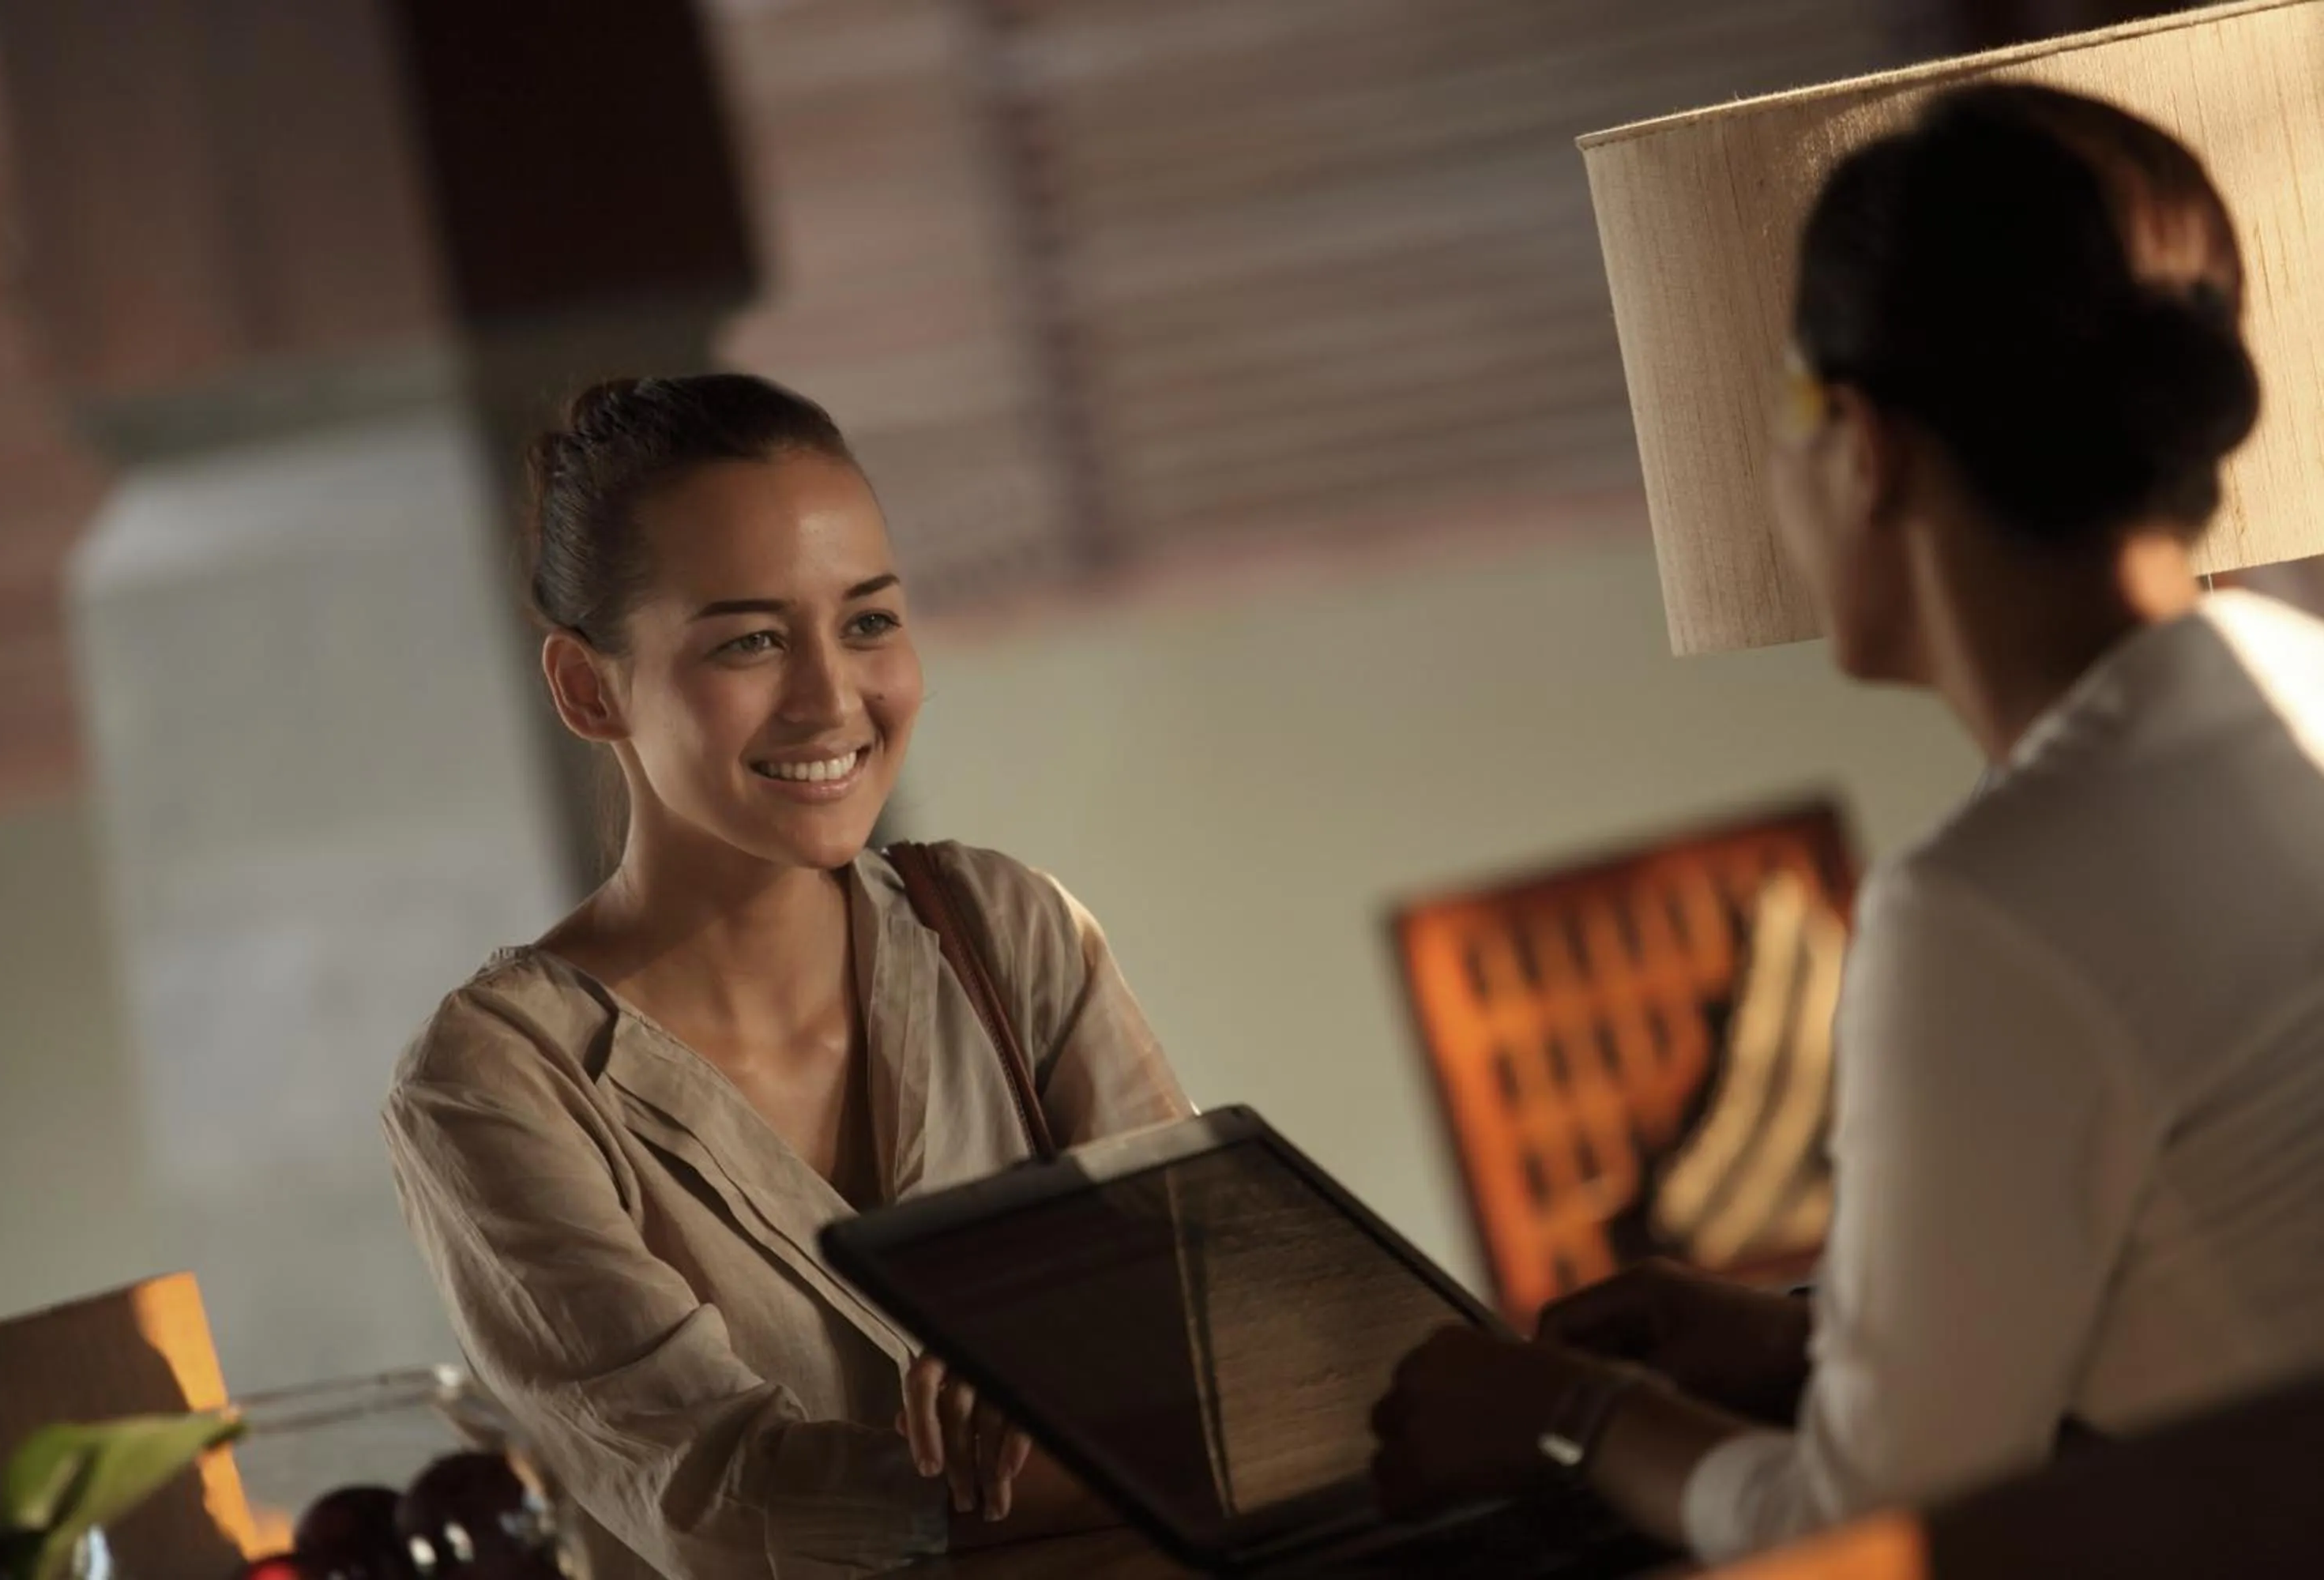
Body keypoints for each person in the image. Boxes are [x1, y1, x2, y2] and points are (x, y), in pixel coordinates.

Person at [1369, 83, 2324, 1564]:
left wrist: (1572, 1412)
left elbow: (1863, 1535)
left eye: (1784, 409)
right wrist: (1812, 1334)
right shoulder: (2298, 680)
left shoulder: (1986, 911)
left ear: (1864, 443)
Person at [383, 375, 1191, 1579]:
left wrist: (1085, 1429)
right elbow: (723, 1501)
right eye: (751, 641)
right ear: (587, 688)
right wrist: (1098, 1442)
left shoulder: (1006, 930)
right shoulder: (500, 1083)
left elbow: (1224, 1317)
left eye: (868, 622)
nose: (831, 699)